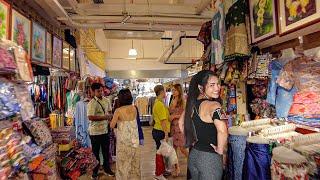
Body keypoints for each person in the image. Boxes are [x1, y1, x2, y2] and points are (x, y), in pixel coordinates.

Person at [180, 70, 228, 180]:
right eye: (212, 85)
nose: (217, 88)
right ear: (201, 88)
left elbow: (181, 123)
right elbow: (223, 131)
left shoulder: (191, 104)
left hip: (194, 155)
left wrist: (193, 140)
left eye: (218, 84)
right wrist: (220, 151)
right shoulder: (215, 106)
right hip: (209, 159)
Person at [110, 89, 141, 180]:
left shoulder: (118, 111)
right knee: (135, 163)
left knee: (123, 165)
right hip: (134, 140)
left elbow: (112, 125)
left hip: (123, 141)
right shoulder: (135, 108)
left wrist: (109, 119)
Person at [87, 83, 115, 179]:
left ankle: (107, 169)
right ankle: (95, 172)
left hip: (105, 130)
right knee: (95, 153)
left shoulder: (107, 100)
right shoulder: (91, 103)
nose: (101, 92)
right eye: (98, 91)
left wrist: (110, 117)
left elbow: (110, 111)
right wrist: (104, 117)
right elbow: (90, 117)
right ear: (93, 92)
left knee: (106, 151)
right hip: (95, 132)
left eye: (101, 90)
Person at [169, 84, 188, 176]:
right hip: (172, 127)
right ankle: (177, 168)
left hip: (179, 126)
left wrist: (174, 116)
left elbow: (186, 114)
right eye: (172, 90)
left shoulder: (183, 100)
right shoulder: (172, 99)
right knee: (174, 149)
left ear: (179, 91)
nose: (173, 92)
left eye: (175, 90)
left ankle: (192, 162)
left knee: (182, 148)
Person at [152, 85, 170, 180]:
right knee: (160, 153)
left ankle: (162, 171)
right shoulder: (159, 104)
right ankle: (158, 174)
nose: (165, 92)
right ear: (162, 92)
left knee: (161, 152)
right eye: (164, 91)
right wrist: (166, 134)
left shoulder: (159, 102)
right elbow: (163, 121)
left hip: (158, 131)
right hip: (160, 131)